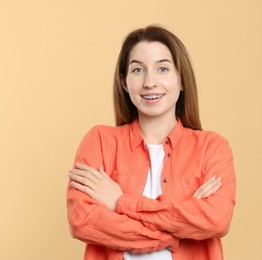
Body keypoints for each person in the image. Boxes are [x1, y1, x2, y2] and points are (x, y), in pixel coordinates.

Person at [67, 25, 236, 260]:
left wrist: (120, 202)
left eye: (163, 69)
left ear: (182, 79)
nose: (150, 82)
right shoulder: (100, 141)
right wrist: (178, 230)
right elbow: (83, 221)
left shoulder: (211, 147)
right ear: (124, 82)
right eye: (138, 70)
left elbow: (216, 220)